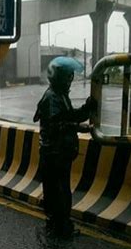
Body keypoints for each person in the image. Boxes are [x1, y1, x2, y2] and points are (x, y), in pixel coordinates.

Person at [34, 56, 97, 238]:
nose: (70, 80)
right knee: (59, 190)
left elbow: (69, 116)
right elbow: (58, 124)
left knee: (57, 189)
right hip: (54, 152)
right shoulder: (52, 97)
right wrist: (80, 126)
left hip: (59, 152)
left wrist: (85, 110)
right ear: (59, 78)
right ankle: (60, 226)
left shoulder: (59, 94)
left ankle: (57, 223)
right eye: (67, 77)